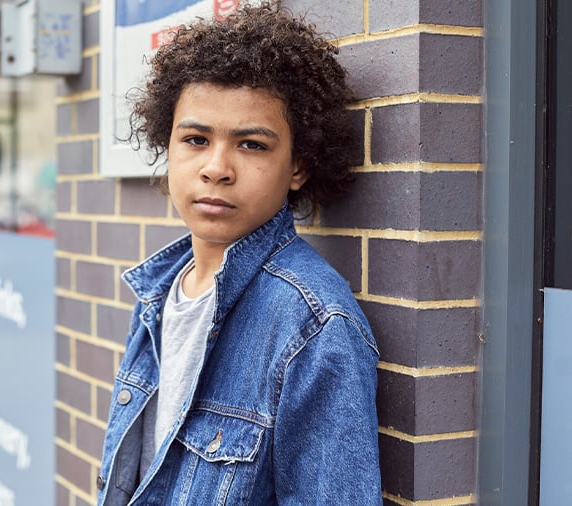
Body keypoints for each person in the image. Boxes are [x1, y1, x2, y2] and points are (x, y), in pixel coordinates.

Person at [97, 3, 381, 504]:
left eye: (251, 145)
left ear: (297, 167)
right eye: (195, 139)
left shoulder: (311, 324)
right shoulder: (161, 289)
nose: (216, 168)